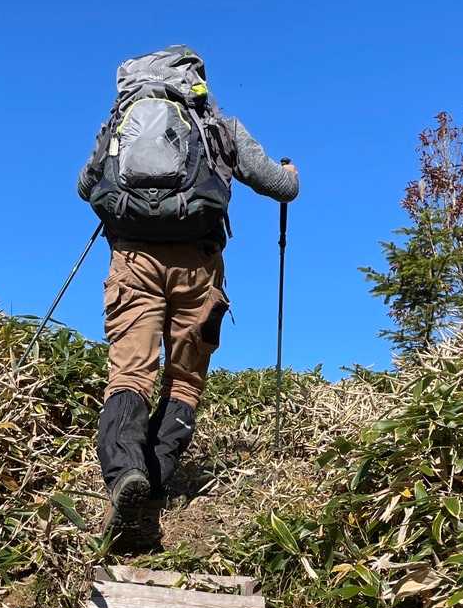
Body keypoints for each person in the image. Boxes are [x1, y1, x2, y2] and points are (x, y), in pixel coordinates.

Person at [77, 46, 299, 531]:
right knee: (184, 380)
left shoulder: (118, 122)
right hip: (198, 266)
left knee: (130, 373)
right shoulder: (219, 125)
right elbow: (279, 187)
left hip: (133, 262)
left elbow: (85, 186)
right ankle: (155, 484)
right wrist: (291, 175)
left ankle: (125, 474)